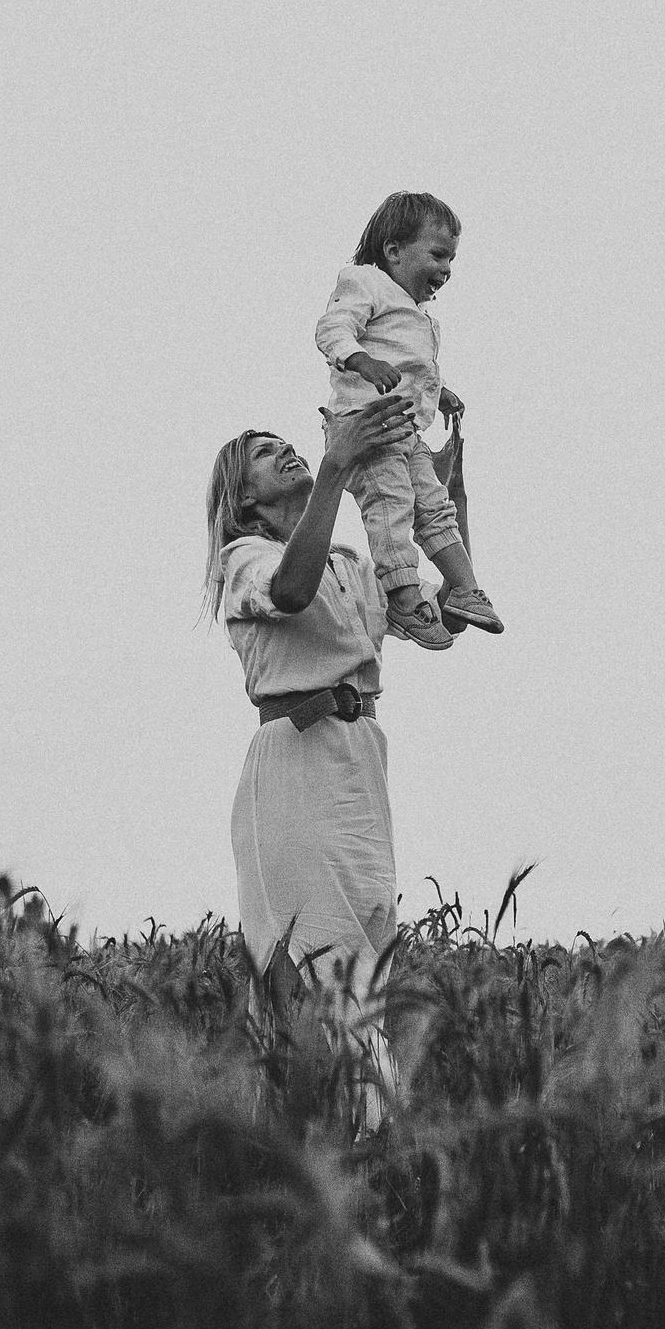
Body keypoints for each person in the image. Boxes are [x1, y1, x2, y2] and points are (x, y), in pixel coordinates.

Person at [202, 395, 421, 1039]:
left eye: (282, 442)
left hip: (358, 759)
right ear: (245, 501)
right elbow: (290, 594)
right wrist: (335, 470)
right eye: (265, 455)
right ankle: (358, 1116)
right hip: (294, 763)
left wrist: (444, 492)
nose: (284, 449)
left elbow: (439, 620)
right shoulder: (242, 558)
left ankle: (334, 1111)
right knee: (320, 950)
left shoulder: (349, 563)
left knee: (371, 937)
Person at [314, 191, 504, 650]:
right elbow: (331, 328)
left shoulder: (417, 314)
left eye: (451, 259)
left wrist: (440, 395)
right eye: (438, 255)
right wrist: (359, 360)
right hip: (366, 428)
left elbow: (411, 368)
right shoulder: (364, 282)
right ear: (394, 250)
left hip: (407, 431)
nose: (446, 269)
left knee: (434, 504)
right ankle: (402, 596)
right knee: (391, 505)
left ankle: (463, 589)